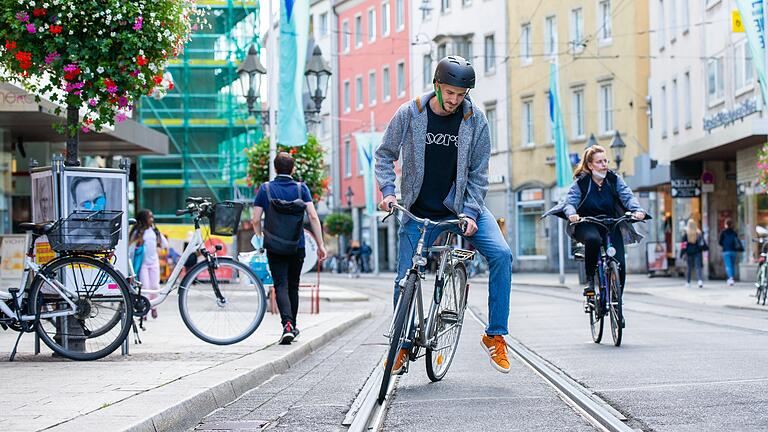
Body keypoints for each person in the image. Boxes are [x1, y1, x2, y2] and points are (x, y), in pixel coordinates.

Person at [376, 55, 514, 374]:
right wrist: (388, 192)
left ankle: (495, 335)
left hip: (463, 209)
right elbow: (384, 155)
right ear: (437, 85)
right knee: (403, 280)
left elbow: (479, 173)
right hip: (418, 212)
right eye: (449, 92)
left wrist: (469, 212)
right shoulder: (410, 113)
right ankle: (401, 346)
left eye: (460, 95)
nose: (453, 100)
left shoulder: (475, 120)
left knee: (502, 255)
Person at [543, 145, 647, 297]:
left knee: (620, 265)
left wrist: (638, 210)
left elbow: (628, 196)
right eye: (599, 162)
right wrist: (572, 214)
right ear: (590, 165)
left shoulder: (614, 179)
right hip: (586, 223)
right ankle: (590, 279)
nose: (604, 165)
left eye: (605, 161)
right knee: (593, 240)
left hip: (611, 223)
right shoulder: (581, 183)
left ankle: (617, 302)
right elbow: (570, 202)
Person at [252, 152, 327, 345]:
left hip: (274, 246)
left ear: (275, 168)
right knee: (294, 285)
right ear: (292, 169)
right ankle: (292, 326)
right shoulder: (301, 189)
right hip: (297, 246)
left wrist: (260, 237)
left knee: (281, 285)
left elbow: (255, 218)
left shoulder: (265, 189)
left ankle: (287, 325)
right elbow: (313, 216)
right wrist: (320, 245)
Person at [129, 209, 168, 319]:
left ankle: (153, 307)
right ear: (143, 220)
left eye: (152, 217)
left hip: (154, 262)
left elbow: (164, 244)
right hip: (143, 264)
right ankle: (144, 310)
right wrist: (138, 243)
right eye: (149, 217)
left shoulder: (155, 231)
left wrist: (159, 244)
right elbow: (130, 247)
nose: (152, 219)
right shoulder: (137, 232)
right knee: (145, 286)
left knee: (155, 286)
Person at [682, 218, 706, 288]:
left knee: (689, 267)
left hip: (688, 253)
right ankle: (700, 281)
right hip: (697, 252)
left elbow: (683, 245)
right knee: (698, 267)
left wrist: (682, 253)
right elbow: (701, 243)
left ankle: (688, 282)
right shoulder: (698, 233)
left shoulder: (686, 234)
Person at [719, 218, 741, 286]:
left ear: (725, 224)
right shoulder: (734, 232)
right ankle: (731, 278)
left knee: (728, 265)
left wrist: (725, 245)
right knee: (732, 265)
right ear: (731, 224)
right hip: (733, 251)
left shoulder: (723, 232)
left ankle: (730, 278)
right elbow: (737, 242)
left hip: (726, 250)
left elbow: (720, 242)